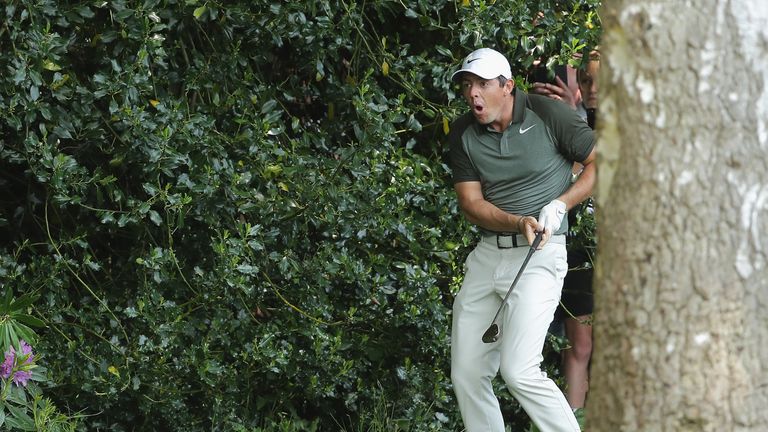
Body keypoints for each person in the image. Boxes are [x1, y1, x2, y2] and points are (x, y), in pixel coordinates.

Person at [447, 47, 596, 432]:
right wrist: (517, 222)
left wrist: (560, 205)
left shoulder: (549, 114)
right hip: (487, 256)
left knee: (519, 370)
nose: (473, 94)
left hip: (541, 257)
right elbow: (470, 203)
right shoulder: (464, 131)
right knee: (467, 373)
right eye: (467, 85)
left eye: (482, 84)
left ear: (507, 86)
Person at [531, 51, 600, 410]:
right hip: (579, 246)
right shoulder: (569, 121)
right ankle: (571, 419)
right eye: (585, 80)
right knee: (580, 343)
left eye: (596, 80)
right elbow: (573, 173)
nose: (590, 88)